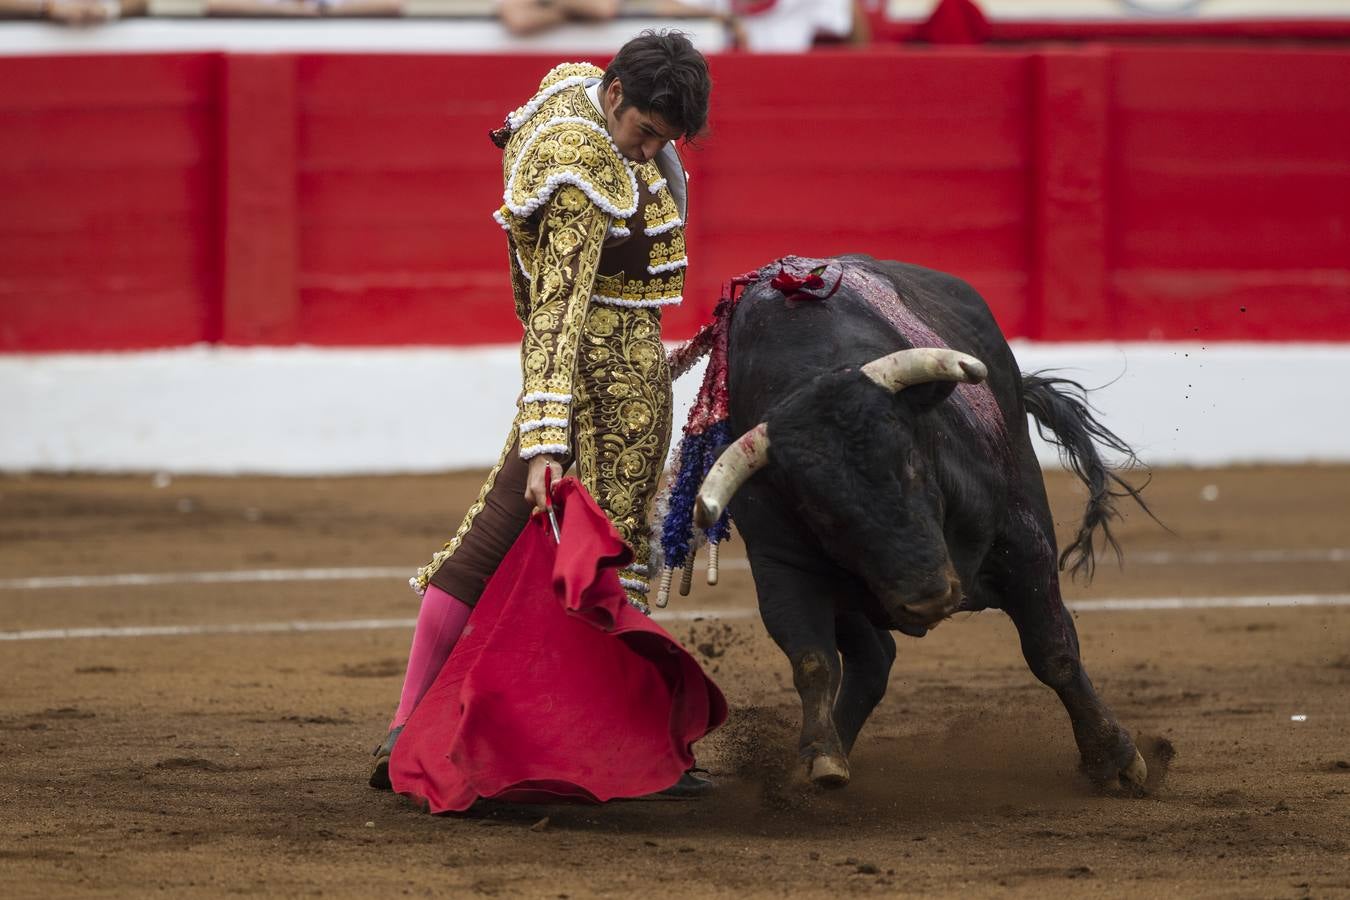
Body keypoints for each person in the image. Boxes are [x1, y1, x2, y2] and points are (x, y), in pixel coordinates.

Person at [370, 30, 712, 796]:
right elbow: (555, 314)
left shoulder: (582, 98)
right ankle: (620, 748)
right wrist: (548, 437)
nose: (648, 151)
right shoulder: (580, 169)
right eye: (645, 133)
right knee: (598, 563)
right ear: (616, 94)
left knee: (508, 542)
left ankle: (409, 722)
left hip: (613, 374)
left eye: (664, 140)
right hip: (594, 395)